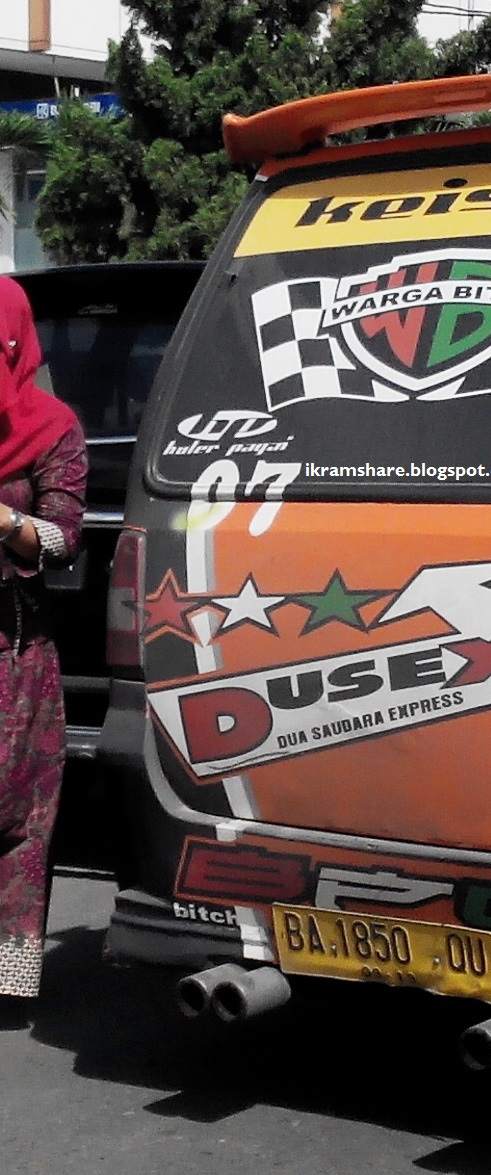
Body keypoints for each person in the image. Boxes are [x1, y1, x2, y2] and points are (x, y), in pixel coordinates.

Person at [0, 275, 86, 1009]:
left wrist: (1, 519)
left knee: (17, 817)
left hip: (13, 655)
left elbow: (62, 539)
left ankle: (7, 975)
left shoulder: (51, 425)